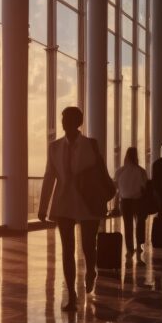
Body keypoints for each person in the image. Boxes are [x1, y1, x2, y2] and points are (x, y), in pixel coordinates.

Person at [39, 107, 108, 311]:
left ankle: (90, 271)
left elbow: (100, 173)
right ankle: (71, 293)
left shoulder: (91, 145)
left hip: (88, 202)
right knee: (67, 249)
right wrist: (43, 207)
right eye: (62, 119)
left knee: (88, 245)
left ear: (77, 122)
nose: (63, 122)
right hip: (64, 203)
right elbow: (49, 176)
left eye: (66, 119)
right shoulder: (55, 147)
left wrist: (104, 198)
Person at [115, 147, 149, 255]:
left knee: (127, 225)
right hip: (137, 201)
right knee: (139, 224)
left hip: (125, 202)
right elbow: (145, 186)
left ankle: (129, 249)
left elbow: (116, 187)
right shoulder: (141, 171)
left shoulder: (120, 171)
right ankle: (139, 246)